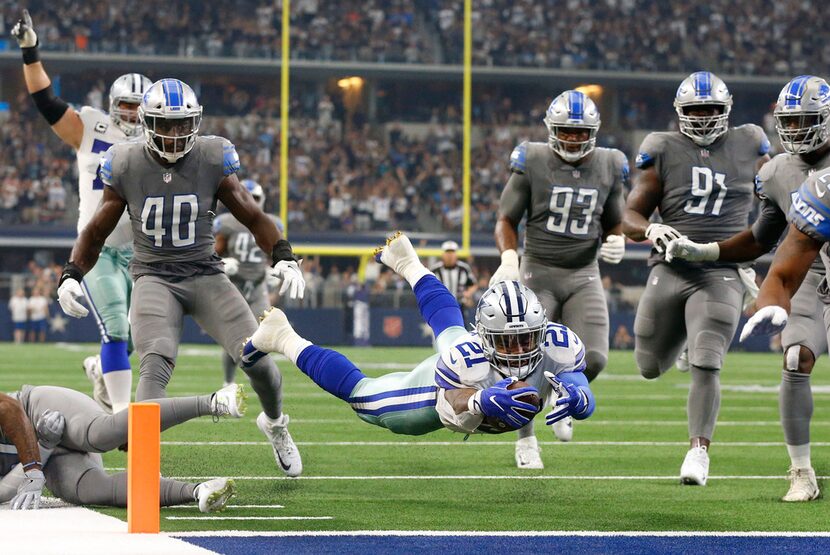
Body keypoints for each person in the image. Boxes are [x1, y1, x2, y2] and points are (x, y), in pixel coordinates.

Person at [53, 78, 306, 477]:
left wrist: (283, 255)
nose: (174, 134)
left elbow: (253, 217)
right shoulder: (125, 161)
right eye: (165, 125)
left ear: (195, 122)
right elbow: (96, 230)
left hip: (205, 274)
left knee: (257, 360)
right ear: (148, 123)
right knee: (154, 366)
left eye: (181, 124)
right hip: (153, 276)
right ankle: (143, 469)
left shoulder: (211, 157)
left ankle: (275, 424)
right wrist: (71, 274)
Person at [242, 232, 595, 454]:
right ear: (486, 338)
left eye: (526, 339)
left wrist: (582, 396)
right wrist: (479, 400)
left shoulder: (558, 343)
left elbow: (575, 376)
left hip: (470, 367)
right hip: (433, 393)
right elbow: (452, 404)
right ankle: (283, 336)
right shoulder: (468, 359)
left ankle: (408, 263)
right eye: (508, 342)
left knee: (451, 329)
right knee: (363, 395)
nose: (519, 351)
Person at [665, 75, 830, 501]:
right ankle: (801, 471)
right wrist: (711, 254)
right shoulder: (779, 174)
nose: (794, 131)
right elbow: (767, 244)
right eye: (788, 122)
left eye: (805, 121)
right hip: (814, 274)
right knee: (795, 357)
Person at [622, 71, 770, 486]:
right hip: (671, 266)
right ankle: (685, 338)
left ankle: (698, 450)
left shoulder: (750, 141)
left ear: (728, 111)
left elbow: (775, 196)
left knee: (708, 359)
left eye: (711, 109)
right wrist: (650, 229)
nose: (703, 118)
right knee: (648, 366)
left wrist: (754, 251)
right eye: (694, 110)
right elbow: (631, 213)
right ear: (679, 113)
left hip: (721, 270)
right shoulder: (661, 147)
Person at [12, 9, 151, 413]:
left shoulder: (161, 138)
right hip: (100, 250)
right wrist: (30, 50)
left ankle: (100, 375)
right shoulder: (92, 126)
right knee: (115, 327)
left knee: (144, 337)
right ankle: (123, 419)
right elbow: (45, 101)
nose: (132, 114)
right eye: (126, 105)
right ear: (112, 106)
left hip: (143, 252)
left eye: (139, 107)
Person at [491, 89, 627, 466]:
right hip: (539, 269)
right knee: (525, 362)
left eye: (579, 132)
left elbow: (615, 217)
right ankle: (526, 438)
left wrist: (616, 238)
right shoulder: (532, 158)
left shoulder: (610, 163)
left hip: (584, 272)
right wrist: (508, 257)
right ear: (552, 129)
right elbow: (506, 217)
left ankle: (562, 396)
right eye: (565, 131)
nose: (572, 138)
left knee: (595, 358)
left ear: (593, 132)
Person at [0, 383, 244, 510]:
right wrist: (44, 447)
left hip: (38, 410)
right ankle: (197, 491)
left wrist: (33, 467)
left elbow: (8, 408)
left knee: (98, 435)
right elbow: (3, 491)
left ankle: (212, 401)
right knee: (88, 491)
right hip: (46, 456)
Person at [213, 179, 283, 386]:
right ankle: (228, 382)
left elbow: (277, 251)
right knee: (233, 336)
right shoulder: (227, 223)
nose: (251, 202)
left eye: (256, 198)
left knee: (261, 334)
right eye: (247, 197)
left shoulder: (272, 222)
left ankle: (255, 375)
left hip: (258, 283)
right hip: (233, 284)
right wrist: (222, 262)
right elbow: (212, 254)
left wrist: (275, 269)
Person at [429, 240, 476, 309]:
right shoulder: (435, 270)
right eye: (448, 252)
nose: (450, 255)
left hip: (459, 304)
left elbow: (473, 284)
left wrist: (468, 293)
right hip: (440, 305)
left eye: (452, 252)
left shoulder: (464, 268)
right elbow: (429, 287)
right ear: (443, 254)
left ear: (456, 254)